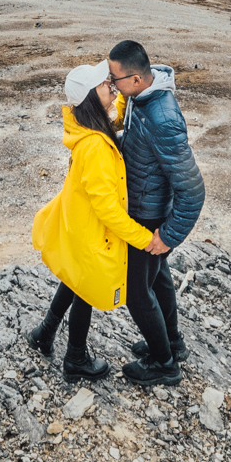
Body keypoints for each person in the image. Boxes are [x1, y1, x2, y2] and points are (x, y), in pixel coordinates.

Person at [27, 60, 156, 381]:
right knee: (85, 289)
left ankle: (44, 333)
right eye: (105, 85)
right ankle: (75, 358)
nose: (111, 86)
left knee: (74, 279)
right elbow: (109, 211)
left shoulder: (83, 125)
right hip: (90, 230)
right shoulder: (96, 147)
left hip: (75, 222)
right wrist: (143, 238)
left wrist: (125, 91)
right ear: (88, 98)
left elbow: (111, 107)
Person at [110, 38, 204, 386]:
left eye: (114, 78)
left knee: (137, 293)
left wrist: (168, 235)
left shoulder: (162, 118)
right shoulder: (140, 99)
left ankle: (165, 366)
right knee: (159, 278)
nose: (110, 84)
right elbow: (142, 149)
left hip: (149, 218)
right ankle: (172, 343)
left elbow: (193, 190)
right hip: (146, 208)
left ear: (136, 79)